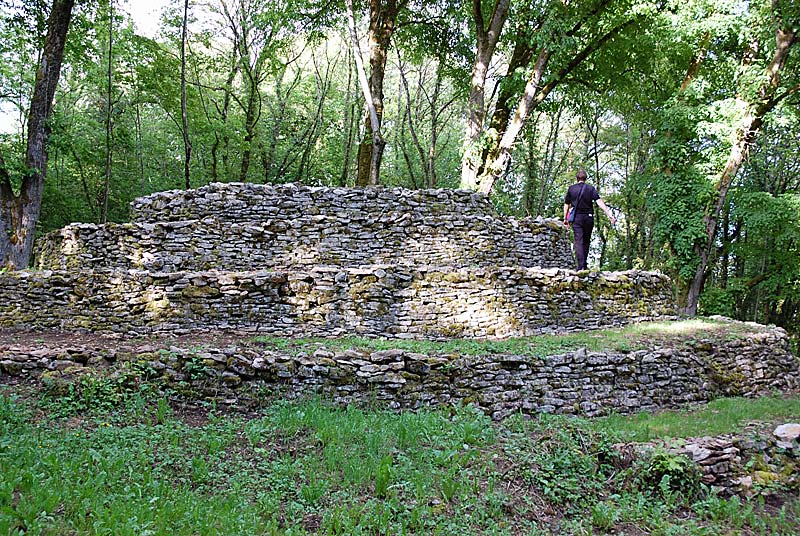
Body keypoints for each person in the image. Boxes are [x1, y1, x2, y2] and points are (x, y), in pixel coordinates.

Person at [562, 169, 616, 271]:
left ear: (577, 178)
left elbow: (566, 205)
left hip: (576, 218)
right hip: (588, 217)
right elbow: (599, 202)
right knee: (586, 241)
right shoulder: (590, 189)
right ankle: (584, 265)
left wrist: (565, 218)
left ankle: (580, 267)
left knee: (578, 241)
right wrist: (609, 214)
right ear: (585, 179)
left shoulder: (571, 189)